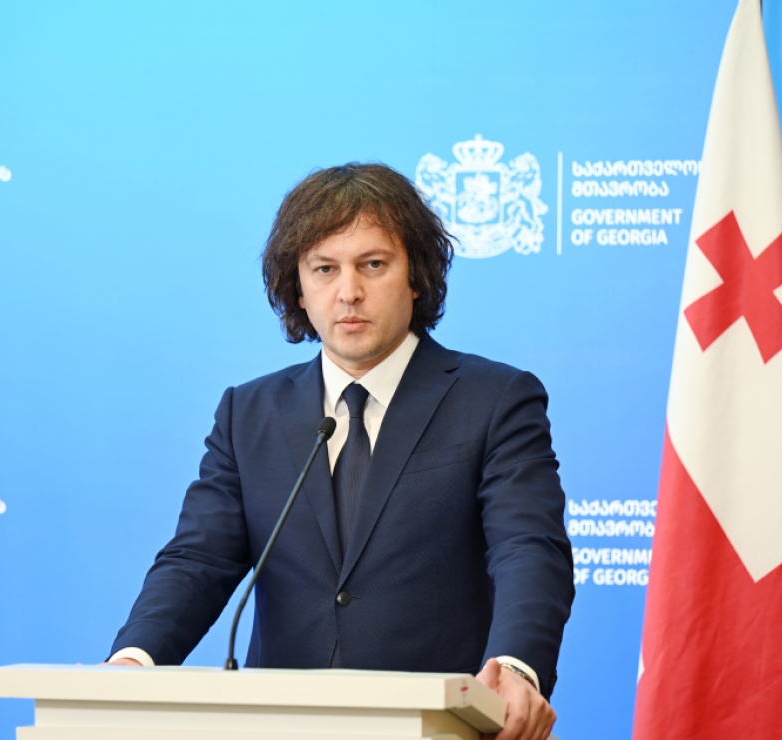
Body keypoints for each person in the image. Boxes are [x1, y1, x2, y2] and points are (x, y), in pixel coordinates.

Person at [107, 163, 574, 740]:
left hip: (441, 725)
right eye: (324, 269)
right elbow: (199, 560)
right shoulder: (248, 413)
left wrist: (518, 668)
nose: (348, 292)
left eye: (372, 265)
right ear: (299, 289)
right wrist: (134, 660)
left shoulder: (495, 399)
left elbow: (527, 547)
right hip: (281, 726)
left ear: (416, 277)